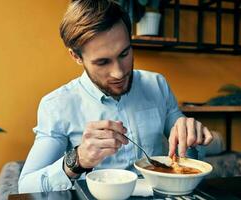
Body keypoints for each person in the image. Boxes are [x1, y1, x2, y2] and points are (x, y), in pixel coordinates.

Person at [18, 0, 213, 193]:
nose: (119, 73)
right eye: (102, 62)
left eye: (124, 53)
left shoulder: (157, 85)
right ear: (76, 57)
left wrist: (190, 134)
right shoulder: (56, 105)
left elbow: (187, 151)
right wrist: (78, 159)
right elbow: (26, 185)